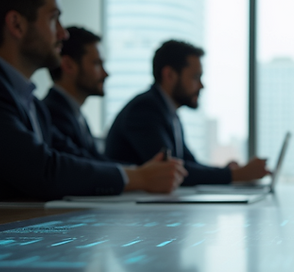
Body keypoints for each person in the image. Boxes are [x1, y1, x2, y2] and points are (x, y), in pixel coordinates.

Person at [0, 0, 185, 210]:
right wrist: (137, 177)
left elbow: (75, 160)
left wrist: (141, 174)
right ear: (16, 24)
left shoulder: (32, 103)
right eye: (53, 20)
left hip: (8, 233)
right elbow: (42, 170)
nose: (63, 34)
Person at [105, 40, 268, 185]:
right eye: (196, 77)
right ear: (169, 75)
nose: (201, 86)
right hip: (130, 213)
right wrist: (235, 174)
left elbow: (188, 163)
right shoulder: (144, 110)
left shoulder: (168, 112)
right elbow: (170, 169)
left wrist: (226, 171)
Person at [43, 26, 109, 160]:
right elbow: (85, 166)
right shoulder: (52, 114)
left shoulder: (74, 113)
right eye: (97, 64)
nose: (105, 73)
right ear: (68, 65)